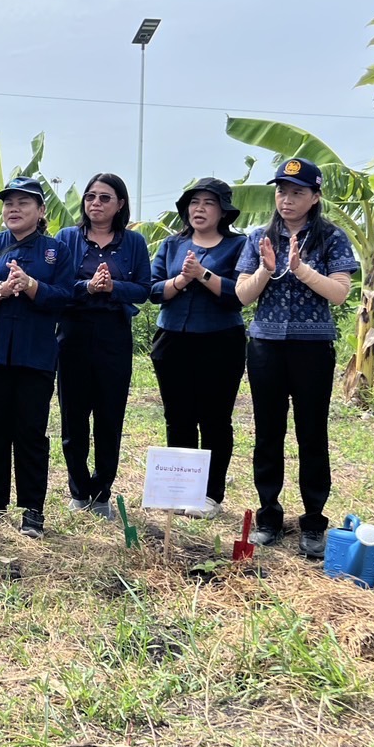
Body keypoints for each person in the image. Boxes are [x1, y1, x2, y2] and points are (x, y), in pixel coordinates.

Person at [235, 157, 358, 559]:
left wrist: (301, 269)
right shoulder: (258, 237)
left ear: (315, 196)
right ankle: (269, 515)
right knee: (268, 432)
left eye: (297, 192)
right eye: (282, 191)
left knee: (311, 433)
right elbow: (242, 295)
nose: (287, 199)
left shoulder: (331, 238)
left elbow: (339, 293)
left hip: (312, 347)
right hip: (266, 345)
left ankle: (313, 521)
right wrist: (268, 271)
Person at [0, 177, 73, 538]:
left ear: (41, 211)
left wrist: (31, 287)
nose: (14, 209)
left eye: (23, 203)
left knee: (31, 432)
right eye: (9, 203)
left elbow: (65, 296)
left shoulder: (56, 251)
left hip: (35, 355)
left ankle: (33, 510)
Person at [148, 178, 248, 517]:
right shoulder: (171, 244)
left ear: (223, 211)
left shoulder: (238, 245)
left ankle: (210, 494)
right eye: (194, 202)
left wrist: (203, 274)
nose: (199, 209)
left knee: (215, 419)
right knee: (178, 416)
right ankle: (180, 490)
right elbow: (153, 289)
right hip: (173, 338)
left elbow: (239, 295)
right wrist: (180, 280)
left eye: (208, 203)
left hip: (220, 341)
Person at [56, 173, 151, 519]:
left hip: (114, 333)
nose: (95, 203)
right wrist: (87, 288)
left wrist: (112, 288)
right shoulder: (66, 238)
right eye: (90, 196)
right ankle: (79, 490)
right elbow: (59, 284)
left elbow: (144, 287)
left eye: (104, 198)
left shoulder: (134, 243)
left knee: (110, 417)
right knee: (74, 416)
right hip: (73, 333)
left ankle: (103, 491)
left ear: (120, 205)